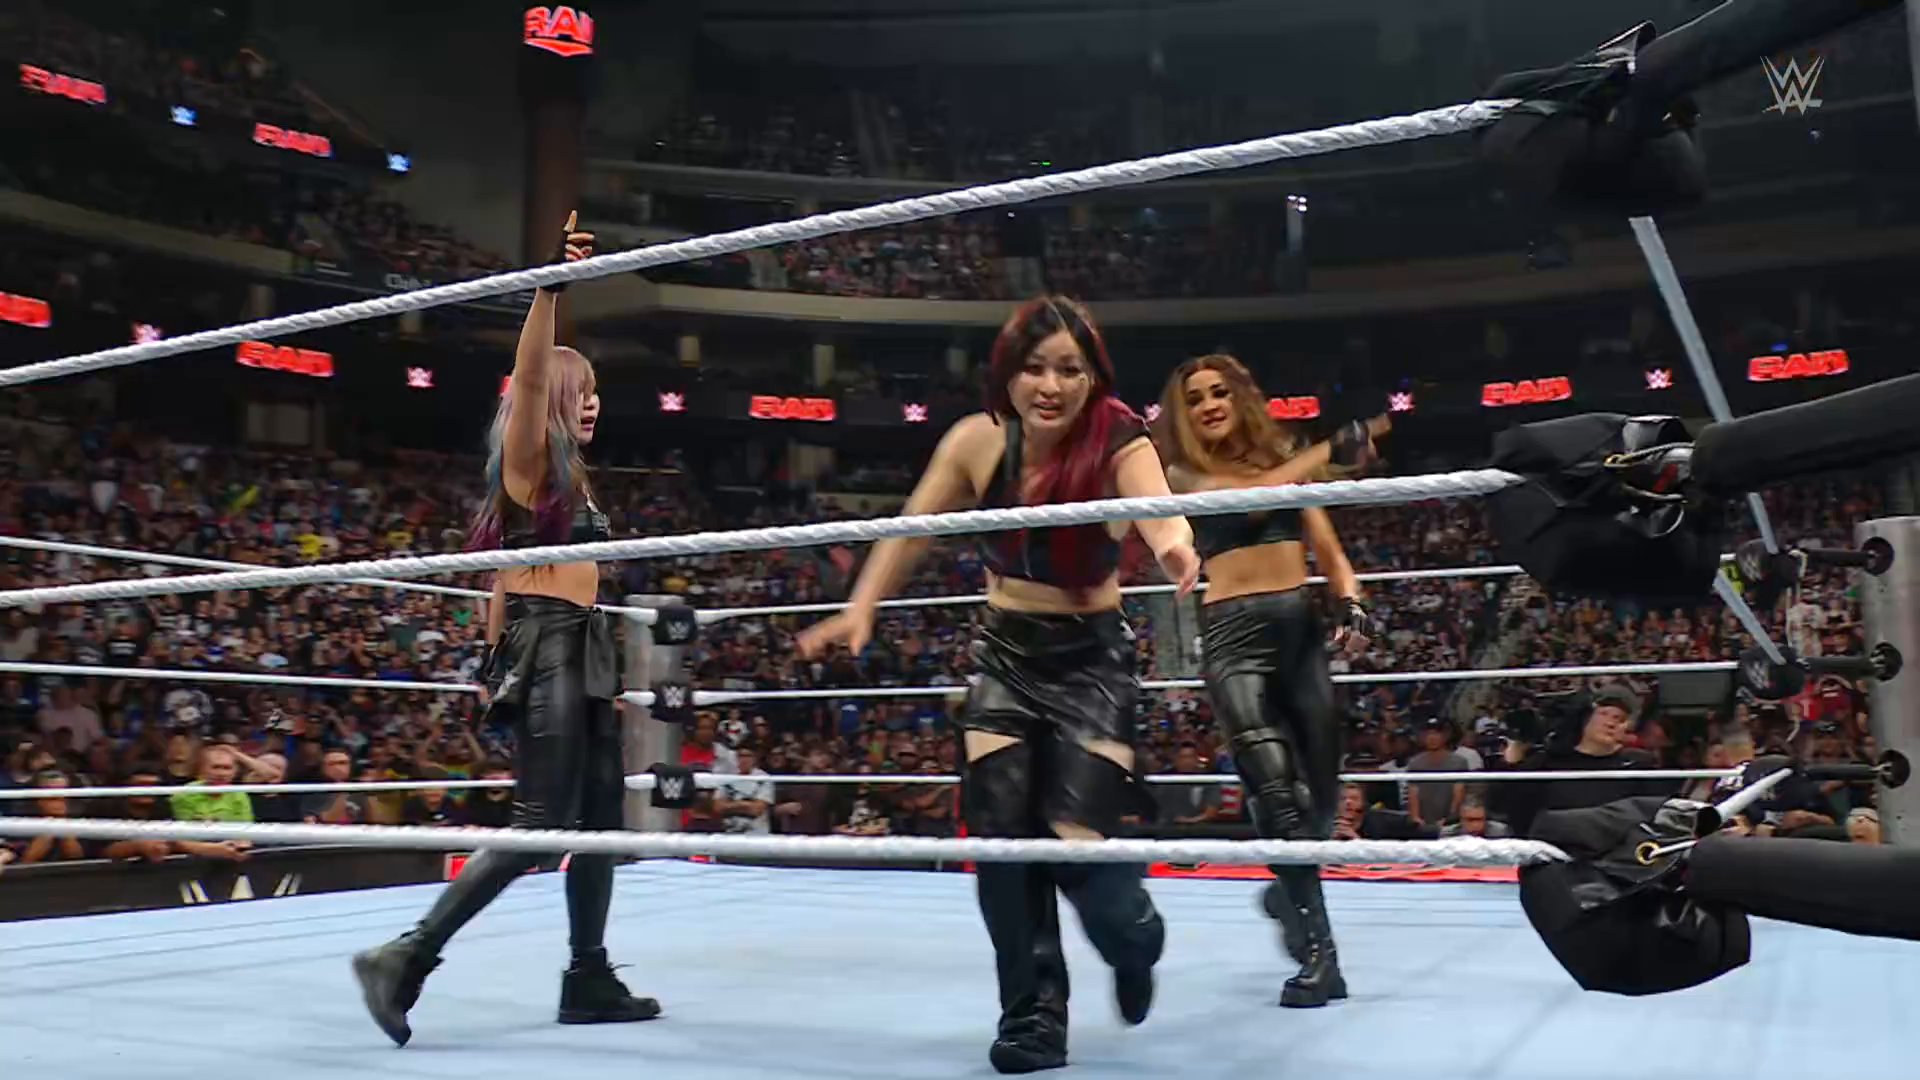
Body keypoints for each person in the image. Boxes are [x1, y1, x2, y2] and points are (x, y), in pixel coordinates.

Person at [799, 296, 1200, 1074]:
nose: (1050, 386)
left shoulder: (1118, 435)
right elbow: (910, 528)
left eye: (1069, 370)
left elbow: (1158, 508)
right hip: (1006, 657)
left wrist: (1177, 549)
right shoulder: (977, 440)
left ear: (1093, 376)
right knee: (1003, 847)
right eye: (1035, 368)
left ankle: (1134, 938)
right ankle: (1033, 1014)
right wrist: (861, 607)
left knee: (1077, 851)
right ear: (1008, 372)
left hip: (1091, 661)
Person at [351, 214, 658, 1047]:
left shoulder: (573, 482)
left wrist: (495, 659)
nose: (593, 401)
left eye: (597, 390)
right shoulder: (529, 462)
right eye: (580, 390)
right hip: (551, 645)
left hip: (583, 646)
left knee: (600, 827)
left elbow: (499, 580)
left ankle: (588, 974)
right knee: (536, 827)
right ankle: (405, 956)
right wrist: (549, 287)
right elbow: (525, 378)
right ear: (554, 399)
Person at [1155, 353, 1384, 1008]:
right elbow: (1249, 499)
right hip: (1233, 639)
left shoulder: (1282, 461)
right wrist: (1324, 452)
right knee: (1276, 790)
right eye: (1195, 398)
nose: (1208, 405)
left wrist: (1352, 601)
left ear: (1240, 397)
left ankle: (1288, 890)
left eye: (1218, 392)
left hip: (1300, 633)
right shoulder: (1179, 472)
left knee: (1320, 802)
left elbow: (1328, 548)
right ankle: (1321, 957)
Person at [1488, 683, 1671, 837]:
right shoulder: (1547, 762)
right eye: (1604, 714)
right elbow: (1504, 807)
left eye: (1619, 718)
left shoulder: (1638, 765)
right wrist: (1510, 763)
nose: (1611, 723)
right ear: (1585, 718)